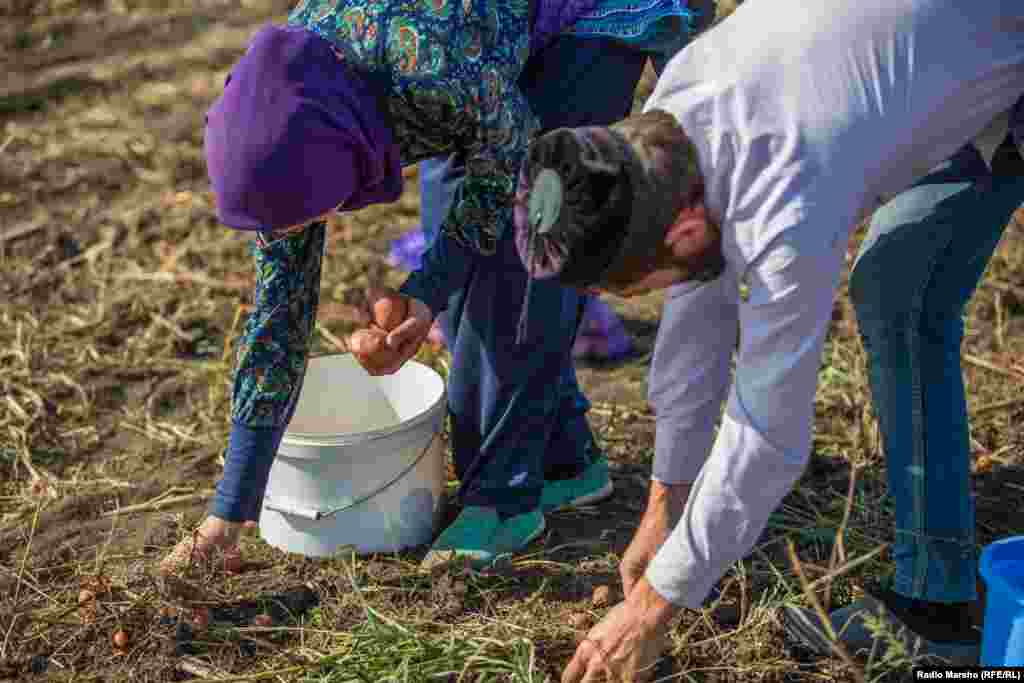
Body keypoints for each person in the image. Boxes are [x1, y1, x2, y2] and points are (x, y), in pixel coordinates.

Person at [502, 0, 1023, 679]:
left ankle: (936, 614)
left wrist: (654, 605)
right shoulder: (667, 122)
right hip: (936, 43)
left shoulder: (788, 202)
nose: (636, 301)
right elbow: (697, 316)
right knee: (896, 287)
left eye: (630, 288)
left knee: (902, 294)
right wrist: (669, 502)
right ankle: (938, 586)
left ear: (683, 233)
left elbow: (768, 440)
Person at [159, 0, 715, 577]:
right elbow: (277, 322)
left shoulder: (425, 66)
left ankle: (503, 501)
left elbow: (506, 164)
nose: (292, 235)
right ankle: (562, 459)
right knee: (449, 232)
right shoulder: (290, 124)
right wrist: (229, 513)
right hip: (478, 43)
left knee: (523, 245)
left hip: (578, 17)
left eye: (304, 220)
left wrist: (428, 289)